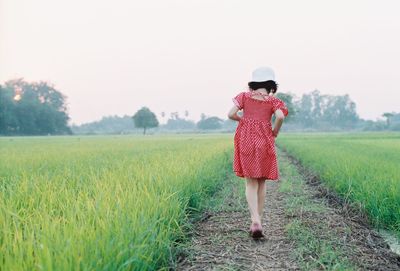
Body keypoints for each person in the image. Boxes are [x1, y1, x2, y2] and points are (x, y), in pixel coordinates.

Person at [227, 67, 289, 239]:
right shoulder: (273, 101)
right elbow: (281, 117)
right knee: (262, 182)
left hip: (245, 140)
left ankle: (255, 220)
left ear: (253, 83)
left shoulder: (244, 97)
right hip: (264, 141)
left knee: (250, 183)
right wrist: (275, 131)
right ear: (271, 84)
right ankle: (258, 220)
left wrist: (243, 120)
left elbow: (231, 113)